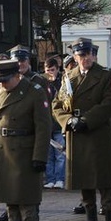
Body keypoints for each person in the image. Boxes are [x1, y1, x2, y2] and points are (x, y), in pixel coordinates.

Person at [52, 38, 111, 221]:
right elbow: (57, 104)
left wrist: (86, 120)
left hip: (97, 133)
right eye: (81, 55)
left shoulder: (106, 75)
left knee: (105, 180)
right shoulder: (69, 77)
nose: (86, 58)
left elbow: (108, 104)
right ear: (75, 57)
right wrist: (68, 120)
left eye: (89, 54)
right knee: (85, 181)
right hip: (77, 133)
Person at [0, 59, 51, 221]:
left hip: (25, 151)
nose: (3, 84)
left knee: (27, 198)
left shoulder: (34, 92)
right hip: (4, 150)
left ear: (17, 76)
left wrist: (40, 156)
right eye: (0, 80)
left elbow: (43, 127)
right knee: (10, 198)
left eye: (6, 80)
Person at [43, 56, 66, 189]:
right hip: (47, 124)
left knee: (60, 154)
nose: (50, 73)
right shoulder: (43, 83)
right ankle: (50, 179)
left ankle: (60, 179)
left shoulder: (62, 82)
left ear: (57, 69)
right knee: (48, 154)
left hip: (57, 124)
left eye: (52, 70)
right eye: (47, 70)